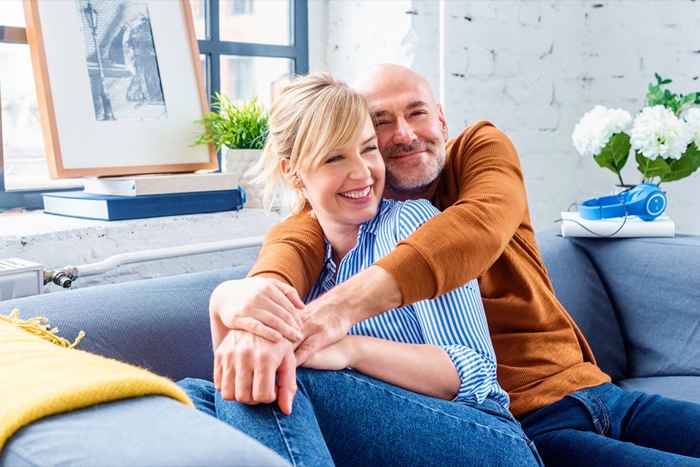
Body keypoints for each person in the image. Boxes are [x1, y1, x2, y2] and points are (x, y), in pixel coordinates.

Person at [215, 64, 700, 467]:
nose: (404, 135)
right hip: (534, 425)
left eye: (418, 113)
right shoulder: (340, 223)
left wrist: (335, 320)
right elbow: (296, 234)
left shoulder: (476, 152)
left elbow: (476, 227)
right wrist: (241, 298)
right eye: (381, 123)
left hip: (596, 390)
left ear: (443, 121)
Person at [179, 73, 542, 467]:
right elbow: (234, 369)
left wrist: (350, 350)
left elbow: (476, 372)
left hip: (487, 440)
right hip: (378, 442)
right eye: (335, 157)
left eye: (368, 150)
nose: (363, 173)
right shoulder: (301, 258)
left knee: (285, 379)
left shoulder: (411, 223)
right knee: (186, 398)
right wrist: (222, 303)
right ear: (293, 172)